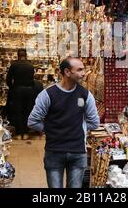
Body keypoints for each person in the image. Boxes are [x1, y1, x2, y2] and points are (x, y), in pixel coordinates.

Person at [28, 57, 100, 188]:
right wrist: (52, 129)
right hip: (54, 152)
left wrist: (76, 126)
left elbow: (94, 122)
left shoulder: (85, 95)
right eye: (79, 70)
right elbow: (33, 121)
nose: (84, 73)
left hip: (78, 153)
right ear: (67, 72)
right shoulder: (48, 95)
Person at [3, 49, 42, 140]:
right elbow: (32, 79)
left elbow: (9, 79)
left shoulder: (14, 65)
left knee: (18, 111)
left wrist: (12, 87)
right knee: (27, 111)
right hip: (29, 90)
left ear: (18, 55)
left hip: (17, 90)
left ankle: (19, 133)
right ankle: (26, 132)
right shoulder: (30, 66)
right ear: (26, 55)